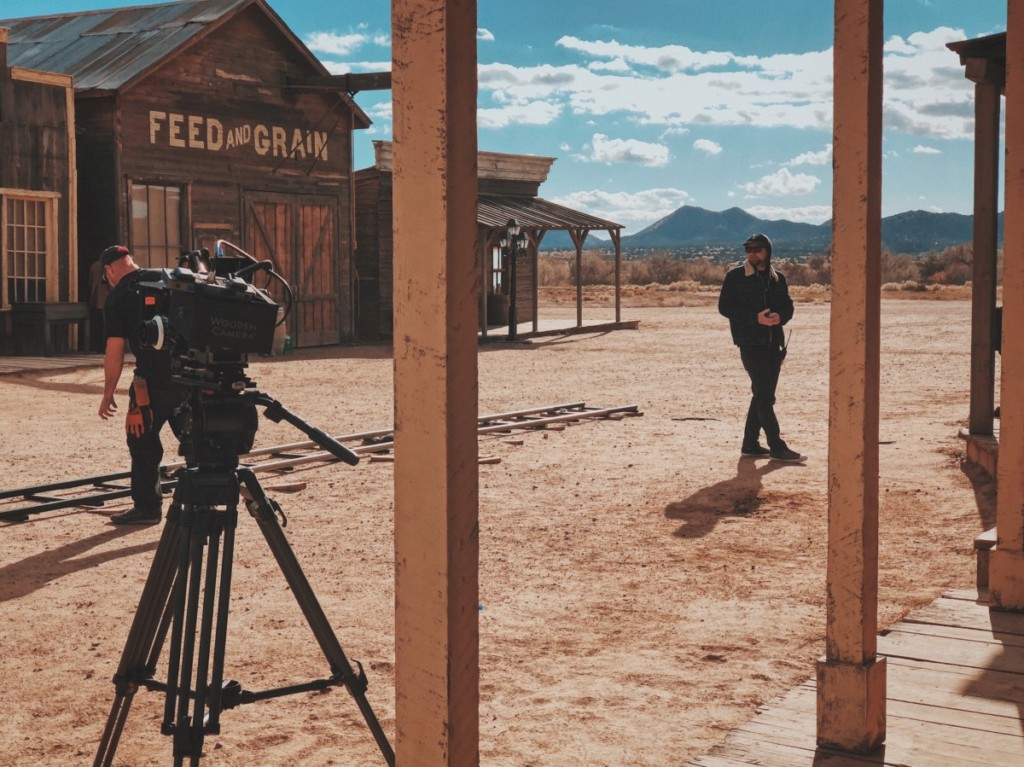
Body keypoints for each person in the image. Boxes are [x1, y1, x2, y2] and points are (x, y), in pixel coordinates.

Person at [98, 245, 181, 524]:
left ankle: (147, 508)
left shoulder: (118, 297)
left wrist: (108, 393)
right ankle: (204, 502)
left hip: (152, 383)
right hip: (191, 377)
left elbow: (115, 351)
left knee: (142, 441)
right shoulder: (168, 278)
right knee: (198, 440)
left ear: (109, 270)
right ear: (130, 260)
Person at [717, 233, 804, 462]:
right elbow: (724, 307)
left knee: (762, 395)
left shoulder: (777, 279)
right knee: (765, 397)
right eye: (749, 249)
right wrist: (754, 318)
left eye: (757, 249)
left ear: (767, 251)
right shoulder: (736, 276)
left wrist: (779, 317)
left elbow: (788, 307)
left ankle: (750, 444)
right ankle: (776, 445)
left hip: (774, 343)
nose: (752, 253)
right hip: (750, 343)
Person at [87, 255, 110, 353]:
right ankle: (104, 347)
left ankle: (96, 346)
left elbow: (90, 282)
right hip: (107, 299)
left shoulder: (94, 266)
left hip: (96, 298)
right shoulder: (109, 267)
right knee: (106, 325)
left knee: (97, 324)